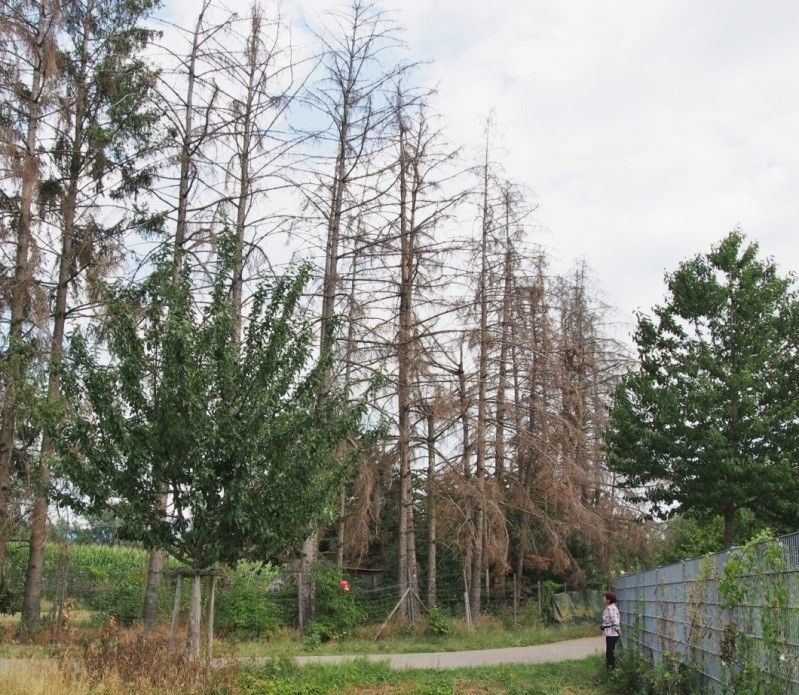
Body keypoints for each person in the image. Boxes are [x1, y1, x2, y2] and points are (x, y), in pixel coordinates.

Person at [601, 591, 621, 669]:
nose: (603, 599)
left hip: (613, 634)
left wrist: (619, 632)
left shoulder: (611, 608)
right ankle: (610, 670)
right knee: (609, 653)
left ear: (608, 600)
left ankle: (611, 670)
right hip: (610, 634)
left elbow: (615, 621)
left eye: (605, 597)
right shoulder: (609, 608)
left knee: (610, 654)